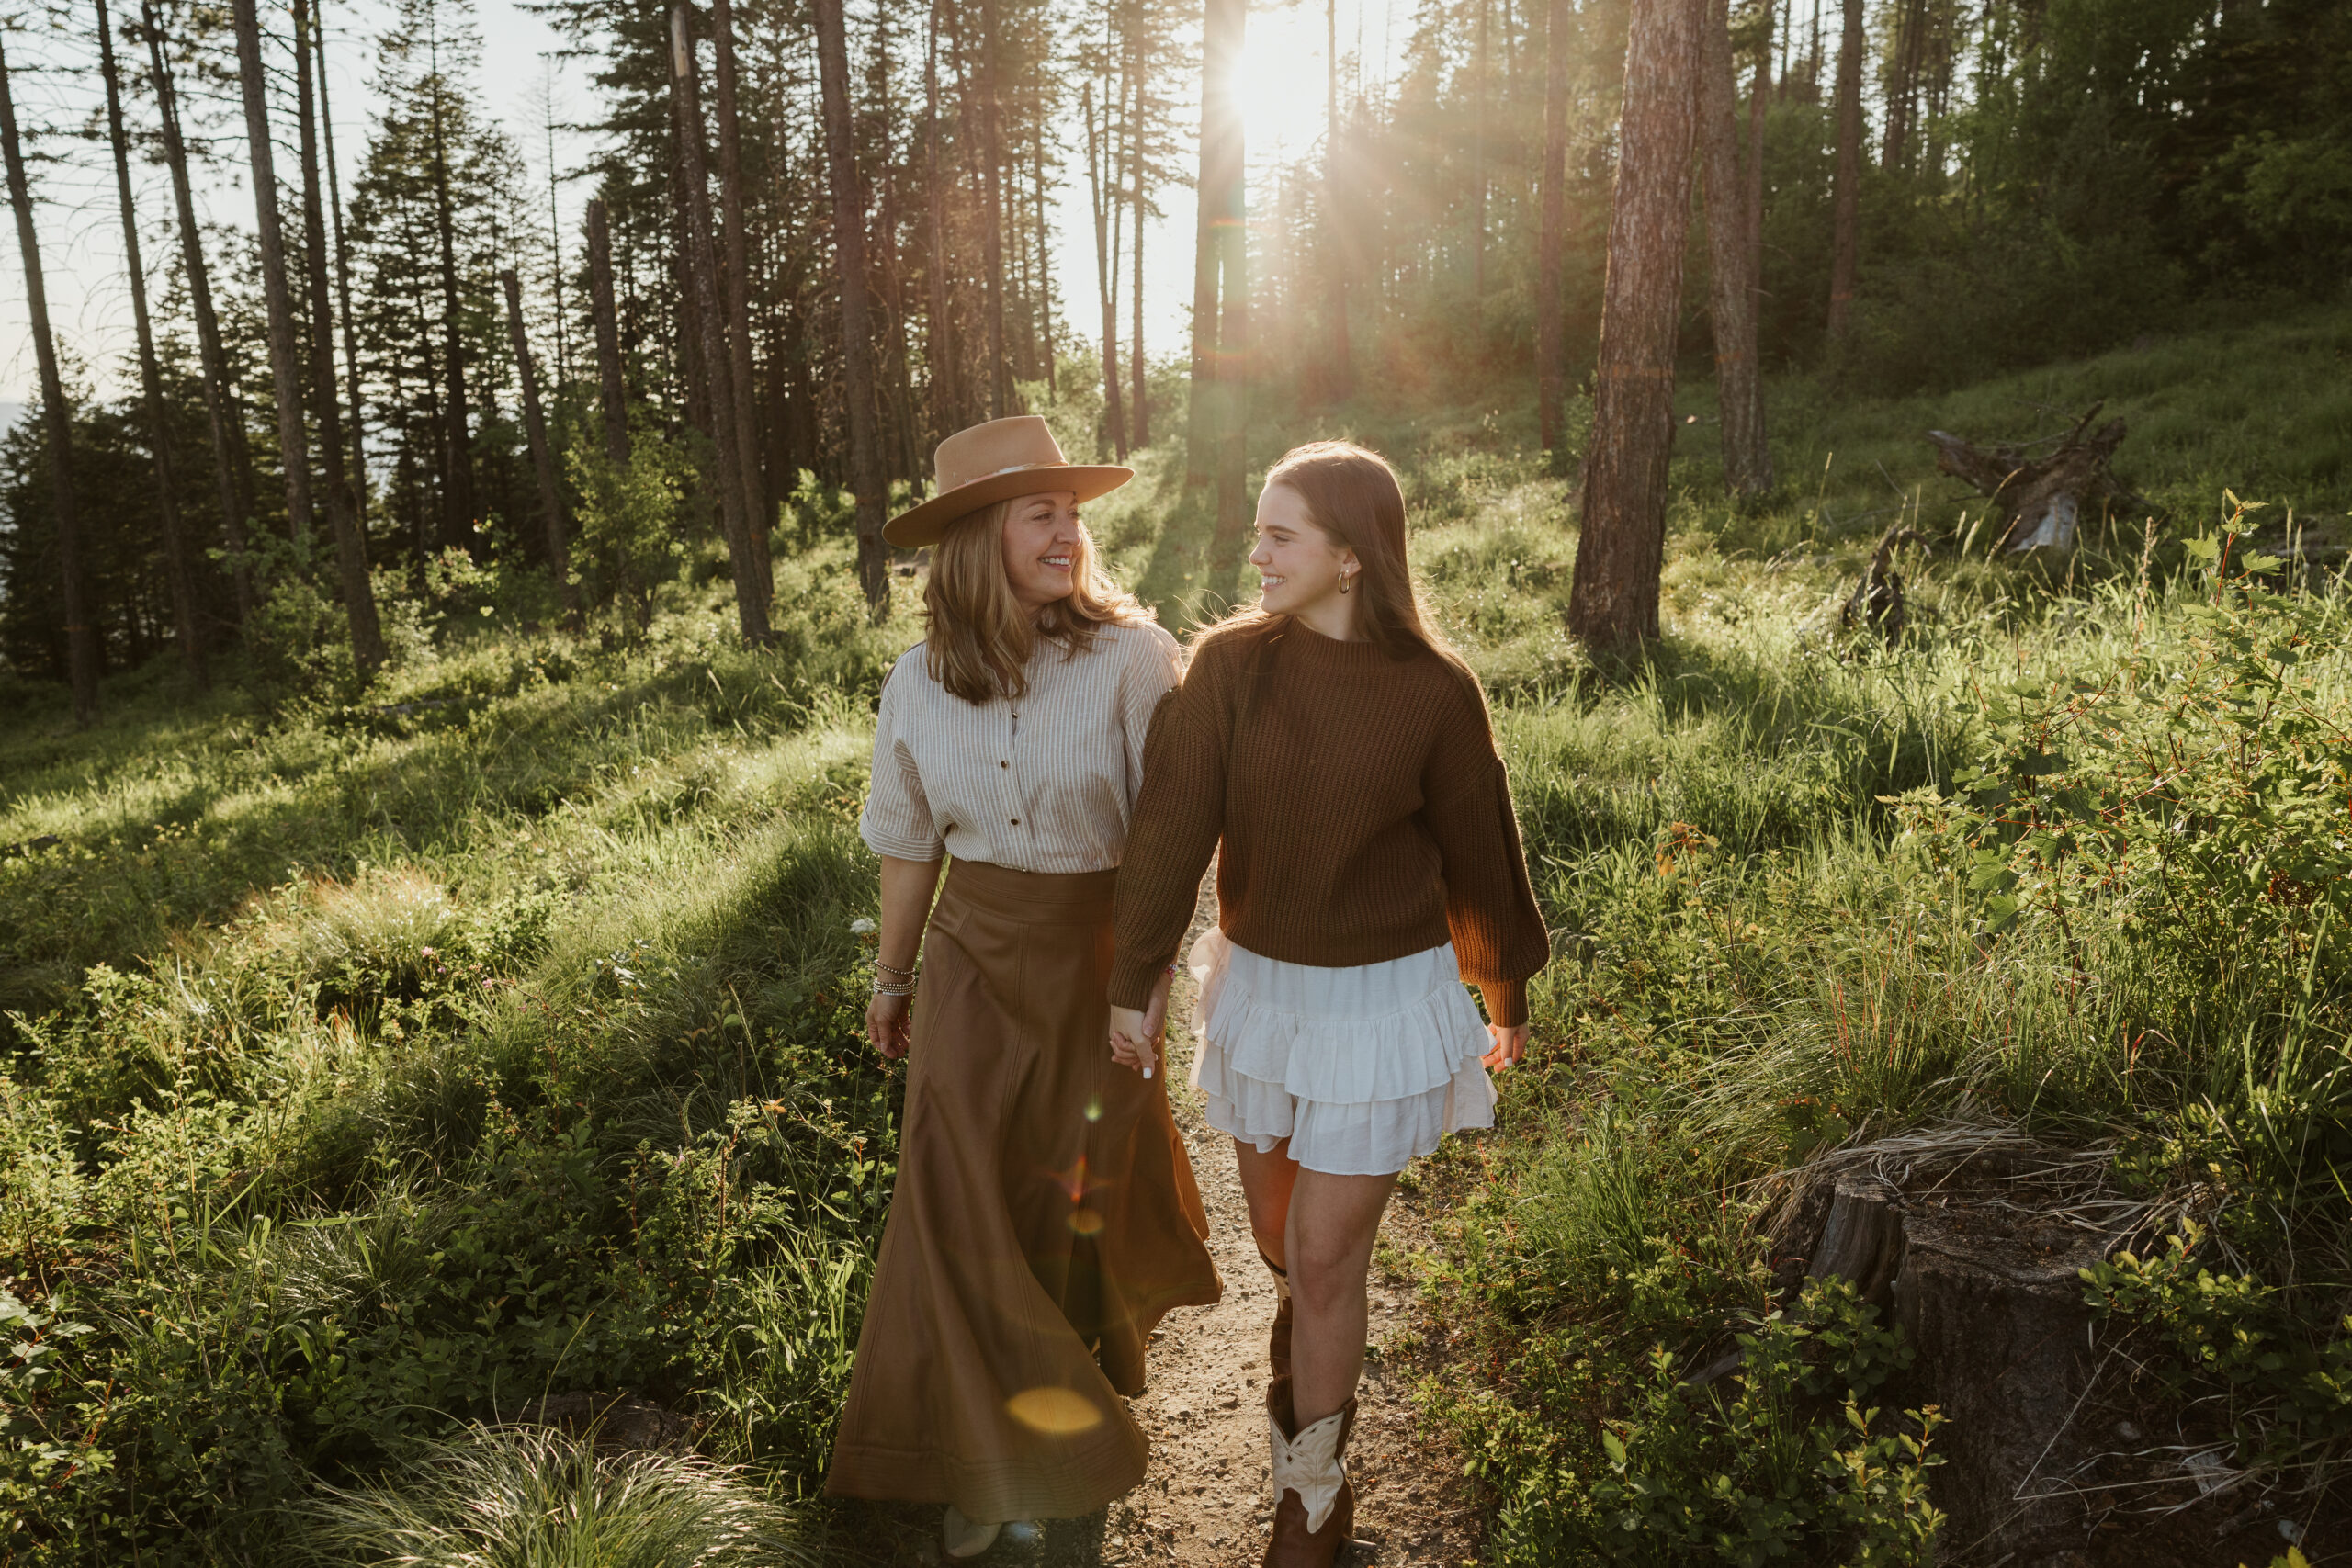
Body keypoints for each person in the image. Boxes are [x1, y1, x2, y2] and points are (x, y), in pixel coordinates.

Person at [1105, 441, 1547, 1567]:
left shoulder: (1434, 692)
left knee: (1325, 1257)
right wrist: (1134, 982)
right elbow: (1170, 830)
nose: (1254, 553)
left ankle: (1311, 1501)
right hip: (1265, 995)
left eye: (1280, 534)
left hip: (1382, 1008)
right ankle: (1304, 1375)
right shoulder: (1230, 670)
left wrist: (1503, 987)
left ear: (1351, 558)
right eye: (1257, 531)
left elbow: (1480, 852)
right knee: (1283, 1246)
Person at [824, 415, 1221, 1560]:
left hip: (1097, 957)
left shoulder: (1133, 658)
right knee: (956, 1210)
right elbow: (909, 849)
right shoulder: (915, 682)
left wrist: (1145, 984)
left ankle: (1052, 1430)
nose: (1069, 531)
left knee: (1065, 1200)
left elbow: (1174, 836)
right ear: (973, 540)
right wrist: (890, 981)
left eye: (1072, 512)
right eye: (1039, 512)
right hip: (969, 964)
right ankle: (1002, 1467)